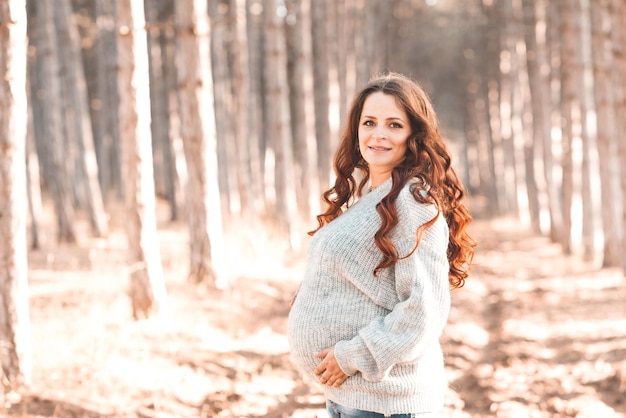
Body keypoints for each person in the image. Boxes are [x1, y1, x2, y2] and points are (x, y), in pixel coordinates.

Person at [287, 72, 476, 418]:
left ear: (413, 136)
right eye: (369, 122)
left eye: (393, 125)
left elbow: (424, 310)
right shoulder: (375, 198)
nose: (378, 134)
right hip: (356, 397)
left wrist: (352, 357)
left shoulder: (412, 201)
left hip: (387, 402)